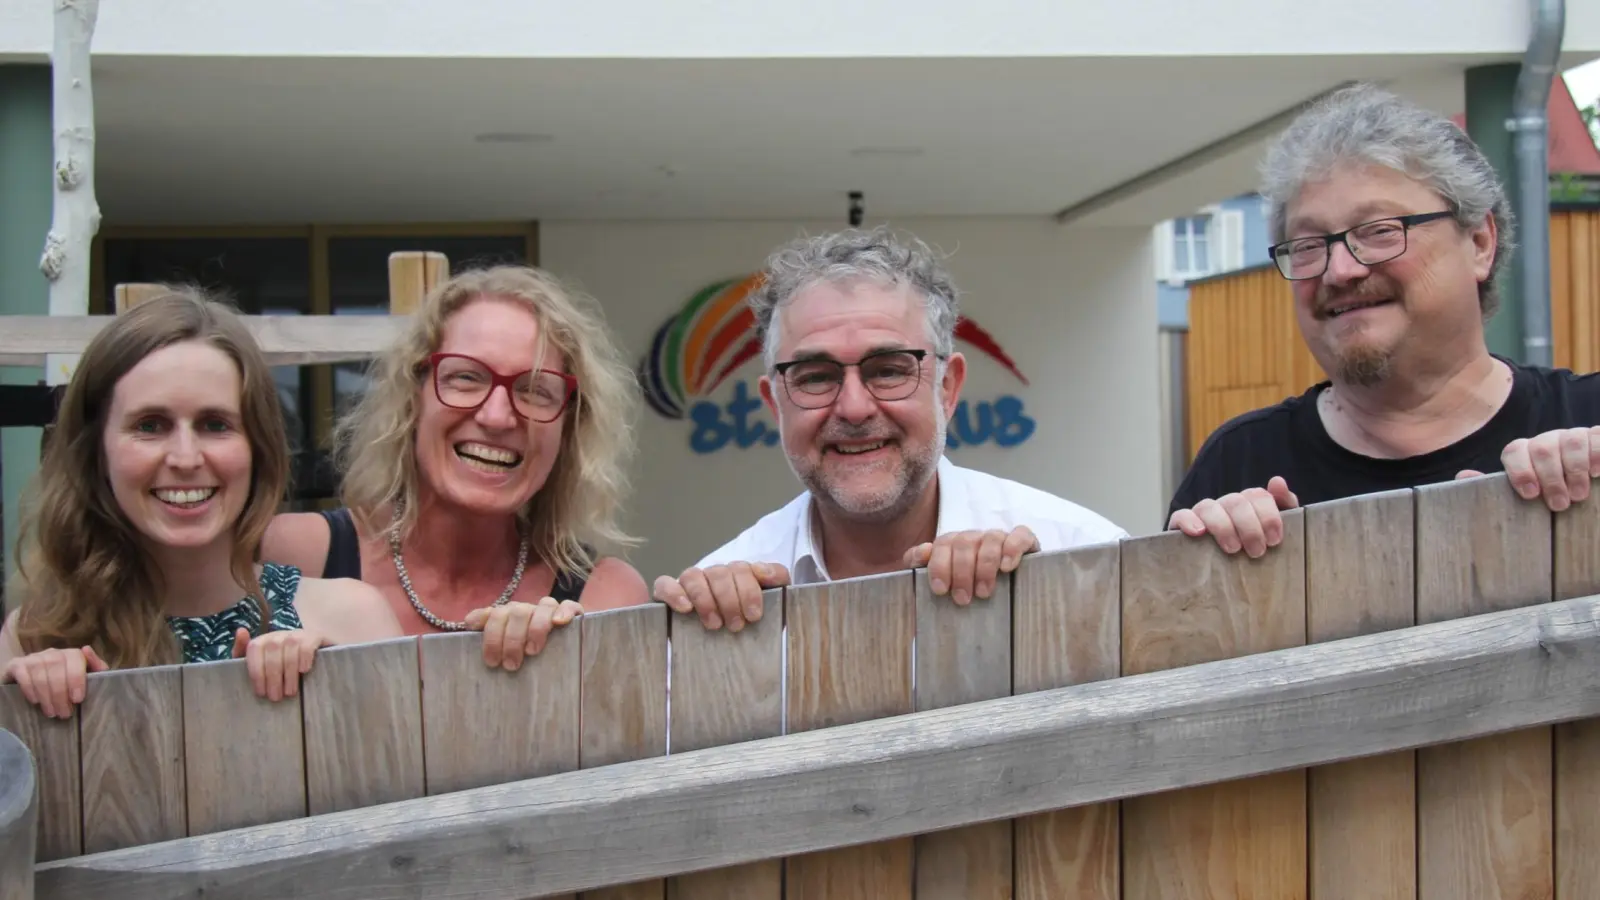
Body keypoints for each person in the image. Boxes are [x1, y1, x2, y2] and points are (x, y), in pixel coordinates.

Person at [1167, 83, 1600, 557]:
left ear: (1479, 243)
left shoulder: (1589, 429)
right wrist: (1206, 573)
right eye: (1308, 245)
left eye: (1379, 231)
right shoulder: (1239, 467)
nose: (1340, 270)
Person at [654, 226, 1127, 631]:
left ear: (947, 387)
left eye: (888, 370)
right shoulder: (715, 608)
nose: (854, 408)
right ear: (775, 404)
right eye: (815, 377)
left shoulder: (1082, 554)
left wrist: (1044, 608)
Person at [1, 289, 403, 719]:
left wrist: (343, 687)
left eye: (215, 424)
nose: (186, 458)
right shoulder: (36, 638)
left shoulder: (350, 621)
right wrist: (23, 713)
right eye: (150, 425)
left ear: (257, 447)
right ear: (97, 452)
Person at [263, 265, 651, 666]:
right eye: (466, 377)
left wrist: (560, 668)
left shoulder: (604, 598)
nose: (497, 417)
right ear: (414, 397)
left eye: (535, 390)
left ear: (568, 427)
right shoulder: (295, 554)